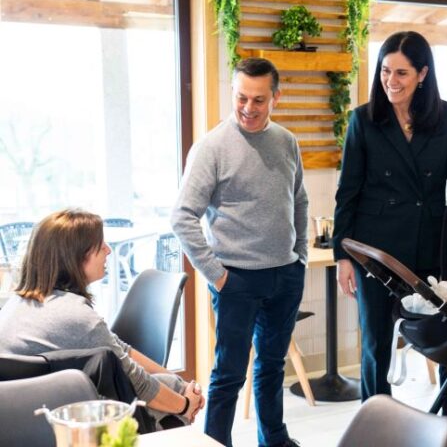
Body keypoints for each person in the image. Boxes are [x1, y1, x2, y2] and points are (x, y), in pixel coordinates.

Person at [171, 57, 307, 447]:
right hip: (236, 280)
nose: (248, 107)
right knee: (229, 374)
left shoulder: (286, 141)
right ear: (232, 92)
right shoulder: (212, 147)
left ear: (276, 97)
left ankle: (274, 440)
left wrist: (298, 255)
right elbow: (182, 217)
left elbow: (298, 199)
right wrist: (217, 276)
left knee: (272, 367)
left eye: (258, 99)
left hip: (285, 275)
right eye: (241, 97)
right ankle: (216, 443)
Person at [333, 31, 447, 401]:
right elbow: (348, 192)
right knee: (376, 343)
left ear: (422, 74)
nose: (390, 81)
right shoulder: (363, 120)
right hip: (374, 251)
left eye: (401, 73)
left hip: (431, 245)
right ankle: (374, 421)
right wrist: (343, 256)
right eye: (385, 71)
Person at [0, 209, 205, 426]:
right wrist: (185, 404)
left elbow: (120, 349)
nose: (108, 250)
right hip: (58, 418)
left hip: (23, 414)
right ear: (76, 257)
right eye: (100, 246)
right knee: (171, 398)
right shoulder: (74, 316)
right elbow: (138, 382)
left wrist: (180, 383)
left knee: (171, 385)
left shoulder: (18, 303)